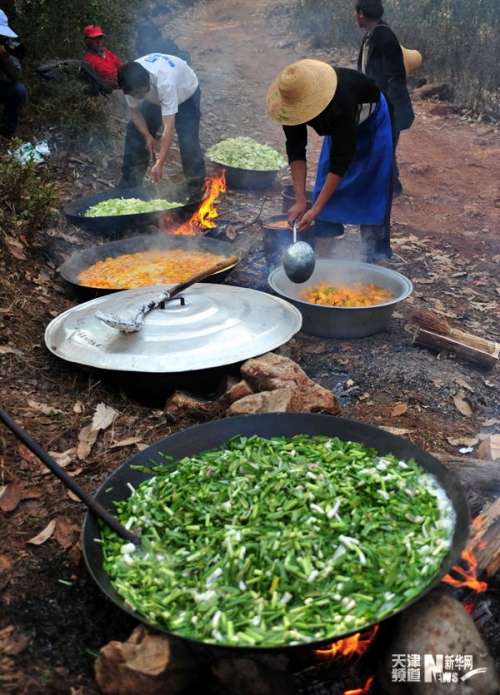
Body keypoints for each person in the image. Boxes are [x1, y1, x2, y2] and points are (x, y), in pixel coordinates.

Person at [267, 59, 394, 262]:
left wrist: (315, 209)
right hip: (341, 129)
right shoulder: (291, 105)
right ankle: (326, 252)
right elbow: (296, 150)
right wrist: (301, 200)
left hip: (372, 124)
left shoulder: (339, 102)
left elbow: (341, 160)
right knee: (323, 191)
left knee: (373, 188)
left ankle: (375, 253)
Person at [118, 53, 205, 190]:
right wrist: (147, 135)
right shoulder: (130, 79)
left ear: (147, 81)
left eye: (139, 93)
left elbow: (168, 129)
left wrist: (160, 163)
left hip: (185, 95)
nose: (137, 97)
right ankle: (130, 184)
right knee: (136, 133)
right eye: (134, 94)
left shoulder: (165, 83)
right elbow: (134, 111)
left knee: (188, 140)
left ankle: (196, 187)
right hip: (155, 97)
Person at [355, 0, 414, 195]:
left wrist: (386, 109)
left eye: (356, 14)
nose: (355, 17)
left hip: (388, 106)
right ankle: (389, 185)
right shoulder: (372, 35)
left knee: (383, 146)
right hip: (376, 103)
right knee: (379, 145)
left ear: (361, 14)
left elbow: (396, 77)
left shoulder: (384, 36)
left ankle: (390, 188)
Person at [0, 9, 27, 138]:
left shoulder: (4, 46)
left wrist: (5, 57)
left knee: (18, 90)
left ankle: (6, 134)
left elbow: (16, 75)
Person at [83, 25, 123, 90]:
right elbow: (98, 83)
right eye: (94, 39)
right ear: (87, 41)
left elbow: (120, 65)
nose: (98, 42)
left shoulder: (106, 51)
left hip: (122, 85)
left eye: (100, 38)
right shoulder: (88, 61)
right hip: (112, 92)